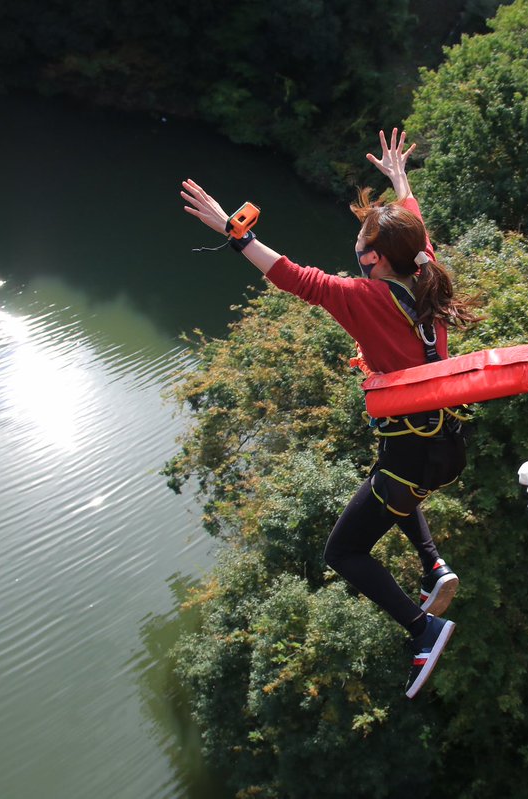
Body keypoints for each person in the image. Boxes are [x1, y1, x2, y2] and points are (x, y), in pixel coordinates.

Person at [181, 129, 479, 699]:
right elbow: (417, 228)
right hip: (447, 445)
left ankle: (424, 628)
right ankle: (434, 567)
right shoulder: (425, 274)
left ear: (380, 261)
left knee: (342, 551)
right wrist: (400, 182)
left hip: (412, 455)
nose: (357, 262)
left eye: (362, 255)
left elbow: (295, 277)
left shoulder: (367, 295)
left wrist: (230, 228)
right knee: (390, 491)